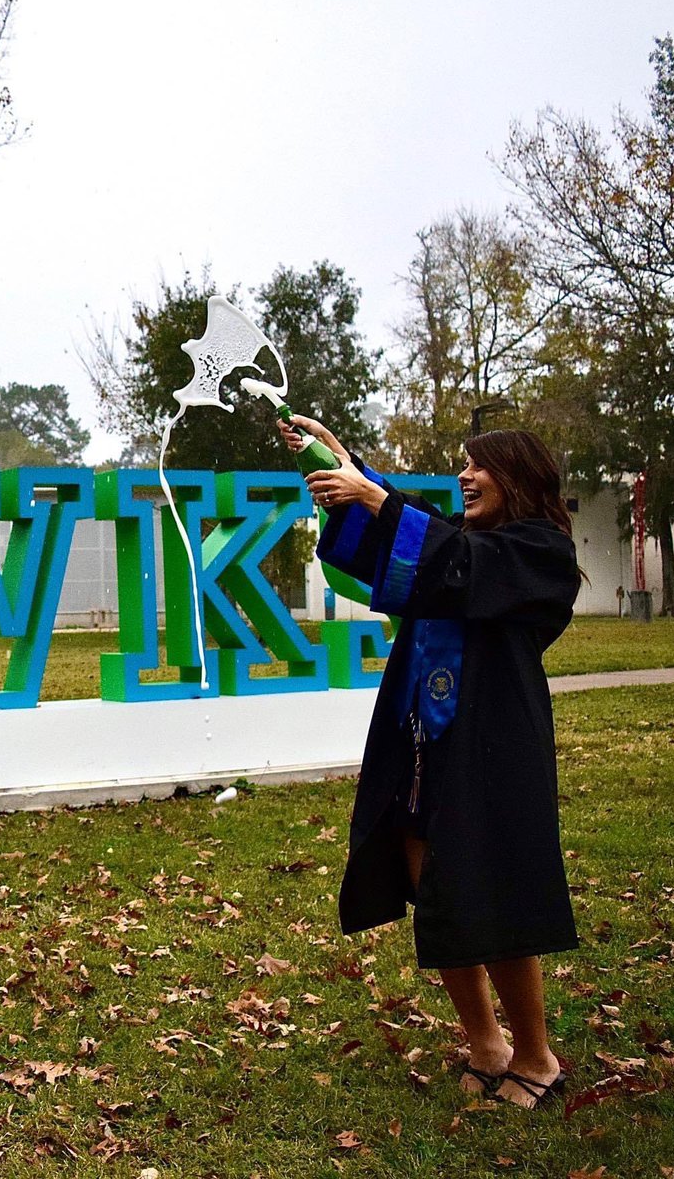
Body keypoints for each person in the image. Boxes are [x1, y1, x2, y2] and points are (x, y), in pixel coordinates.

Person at [278, 417, 580, 1110]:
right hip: (419, 746)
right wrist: (349, 473)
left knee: (490, 893)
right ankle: (485, 1043)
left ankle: (536, 1055)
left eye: (480, 467)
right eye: (462, 466)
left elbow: (460, 569)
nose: (466, 477)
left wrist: (376, 497)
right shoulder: (461, 541)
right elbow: (409, 553)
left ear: (522, 477)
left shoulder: (540, 553)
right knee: (437, 890)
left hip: (491, 750)